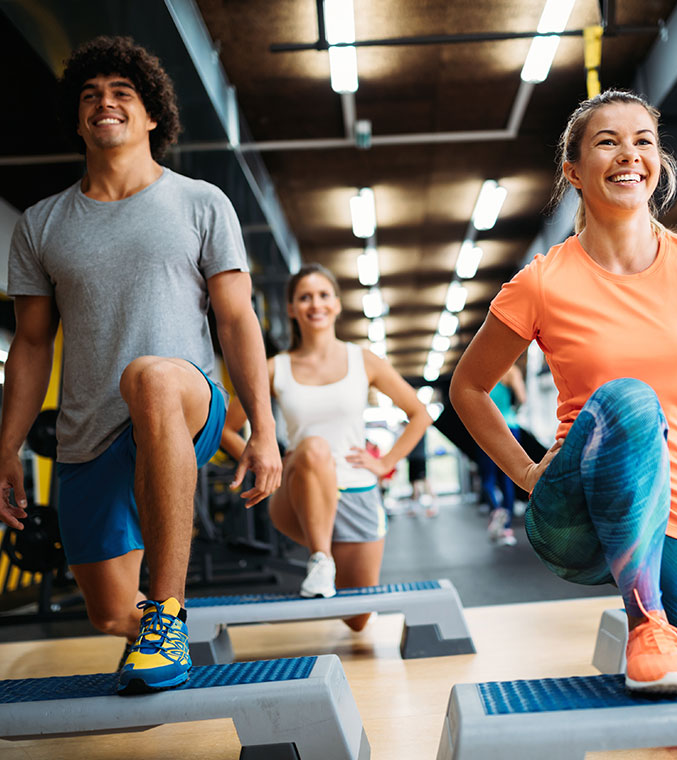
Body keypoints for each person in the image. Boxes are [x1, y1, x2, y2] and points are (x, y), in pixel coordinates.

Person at [451, 90, 677, 694]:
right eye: (608, 142)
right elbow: (468, 387)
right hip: (579, 509)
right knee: (630, 398)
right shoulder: (542, 282)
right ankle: (645, 623)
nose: (629, 154)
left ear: (658, 162)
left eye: (642, 141)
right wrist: (527, 473)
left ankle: (659, 634)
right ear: (574, 171)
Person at [0, 37, 282, 695]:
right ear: (77, 120)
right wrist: (8, 446)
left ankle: (168, 615)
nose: (105, 102)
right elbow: (33, 344)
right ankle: (154, 627)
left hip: (187, 400)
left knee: (149, 377)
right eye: (90, 95)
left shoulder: (201, 202)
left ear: (152, 115)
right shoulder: (41, 225)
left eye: (121, 92)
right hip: (88, 432)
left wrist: (264, 430)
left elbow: (237, 321)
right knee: (105, 612)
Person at [220, 263, 432, 630]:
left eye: (323, 295)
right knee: (315, 447)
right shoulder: (275, 368)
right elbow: (226, 427)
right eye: (305, 297)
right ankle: (320, 558)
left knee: (358, 619)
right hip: (298, 490)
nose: (315, 304)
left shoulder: (363, 360)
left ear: (336, 304)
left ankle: (328, 564)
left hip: (356, 490)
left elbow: (420, 414)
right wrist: (266, 461)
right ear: (291, 309)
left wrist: (386, 463)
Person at [477, 364, 525, 545]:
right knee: (507, 478)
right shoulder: (512, 372)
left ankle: (496, 510)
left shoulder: (484, 371)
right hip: (510, 426)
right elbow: (522, 398)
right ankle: (506, 527)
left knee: (488, 478)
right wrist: (512, 409)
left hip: (487, 428)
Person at [406, 431, 438, 517]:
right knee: (414, 484)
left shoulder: (419, 428)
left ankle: (433, 507)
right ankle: (414, 508)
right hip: (413, 459)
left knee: (423, 483)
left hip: (419, 459)